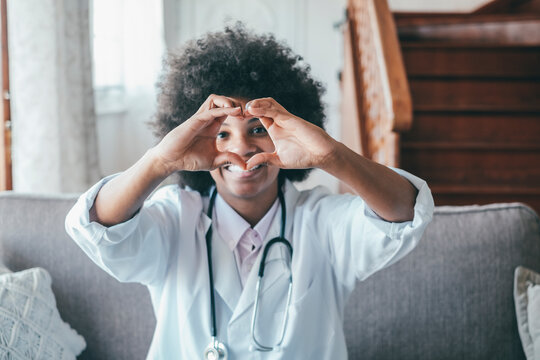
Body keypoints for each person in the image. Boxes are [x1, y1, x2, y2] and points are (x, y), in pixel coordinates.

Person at [65, 24, 434, 359]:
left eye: (258, 129)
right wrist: (161, 160)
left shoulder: (321, 220)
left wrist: (330, 154)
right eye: (221, 133)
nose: (241, 149)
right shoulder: (175, 217)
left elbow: (404, 214)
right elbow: (99, 227)